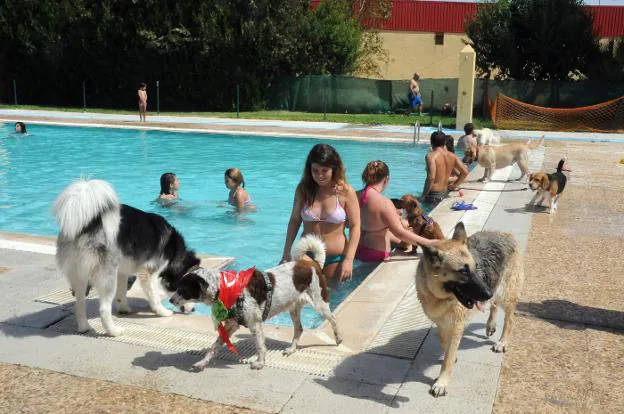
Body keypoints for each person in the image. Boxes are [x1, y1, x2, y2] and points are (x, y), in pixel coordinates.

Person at [280, 144, 360, 281]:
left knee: (332, 299)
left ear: (334, 169)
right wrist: (286, 253)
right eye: (315, 170)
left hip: (336, 258)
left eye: (324, 170)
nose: (319, 175)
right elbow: (294, 221)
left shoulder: (345, 192)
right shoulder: (303, 190)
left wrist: (349, 259)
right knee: (302, 297)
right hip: (306, 255)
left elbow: (355, 226)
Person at [356, 161, 438, 263]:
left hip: (358, 250)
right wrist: (430, 243)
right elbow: (400, 233)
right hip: (377, 253)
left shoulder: (355, 196)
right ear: (386, 179)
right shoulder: (385, 203)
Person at [421, 131, 468, 208]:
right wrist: (454, 185)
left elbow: (431, 177)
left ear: (431, 142)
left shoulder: (430, 156)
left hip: (433, 195)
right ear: (444, 142)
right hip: (444, 193)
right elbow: (465, 172)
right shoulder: (452, 156)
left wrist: (424, 195)